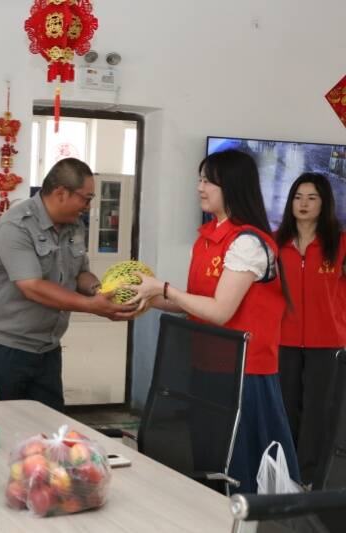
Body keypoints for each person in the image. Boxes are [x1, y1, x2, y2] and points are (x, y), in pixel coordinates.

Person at [125, 149, 300, 493]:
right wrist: (144, 298)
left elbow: (220, 311)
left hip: (245, 373)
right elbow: (195, 304)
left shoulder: (248, 243)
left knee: (240, 465)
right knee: (209, 457)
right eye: (200, 179)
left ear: (232, 186)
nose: (200, 188)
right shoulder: (207, 238)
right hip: (208, 365)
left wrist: (163, 288)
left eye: (208, 181)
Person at [0, 158, 137, 413]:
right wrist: (92, 306)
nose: (88, 206)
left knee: (50, 425)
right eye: (86, 198)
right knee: (3, 423)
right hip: (4, 347)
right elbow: (32, 286)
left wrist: (100, 291)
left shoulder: (75, 225)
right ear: (61, 193)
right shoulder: (16, 225)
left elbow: (80, 272)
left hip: (47, 348)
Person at [275, 172, 346, 484]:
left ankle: (310, 478)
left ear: (324, 203)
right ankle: (283, 472)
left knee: (318, 411)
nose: (303, 204)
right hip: (284, 339)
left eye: (311, 198)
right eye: (298, 197)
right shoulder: (275, 243)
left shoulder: (340, 244)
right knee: (285, 407)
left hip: (328, 342)